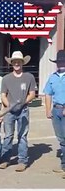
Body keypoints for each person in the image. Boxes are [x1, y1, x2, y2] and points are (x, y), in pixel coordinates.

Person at [0, 51, 36, 172]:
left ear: (22, 63)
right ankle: (5, 159)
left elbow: (32, 94)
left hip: (23, 110)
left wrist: (24, 102)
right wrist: (8, 105)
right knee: (8, 136)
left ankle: (22, 161)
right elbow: (3, 95)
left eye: (18, 62)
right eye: (14, 62)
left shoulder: (29, 77)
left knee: (22, 136)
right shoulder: (6, 79)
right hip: (10, 111)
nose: (16, 64)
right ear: (12, 64)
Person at [43, 50, 65, 178]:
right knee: (61, 138)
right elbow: (47, 94)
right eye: (59, 62)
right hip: (56, 110)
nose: (61, 63)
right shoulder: (52, 77)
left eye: (63, 61)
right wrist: (47, 109)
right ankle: (64, 165)